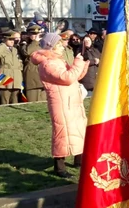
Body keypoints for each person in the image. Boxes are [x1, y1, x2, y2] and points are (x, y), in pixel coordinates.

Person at [30, 32, 89, 178]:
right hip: (61, 104)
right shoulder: (47, 64)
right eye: (60, 44)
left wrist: (84, 63)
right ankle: (59, 167)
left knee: (79, 130)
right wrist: (78, 63)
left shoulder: (57, 61)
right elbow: (67, 78)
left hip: (72, 101)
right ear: (52, 46)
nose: (63, 47)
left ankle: (79, 160)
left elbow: (75, 77)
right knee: (62, 134)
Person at [0, 31, 24, 104]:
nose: (12, 41)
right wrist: (2, 44)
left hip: (16, 75)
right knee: (4, 97)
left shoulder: (15, 50)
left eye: (13, 40)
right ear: (4, 39)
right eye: (10, 39)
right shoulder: (1, 48)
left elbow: (20, 62)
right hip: (4, 74)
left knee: (15, 98)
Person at [19, 25, 46, 102]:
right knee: (33, 100)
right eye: (33, 34)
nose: (36, 36)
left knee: (45, 103)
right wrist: (35, 41)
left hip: (43, 75)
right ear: (28, 34)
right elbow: (27, 52)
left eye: (38, 34)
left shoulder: (43, 43)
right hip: (32, 77)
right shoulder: (24, 44)